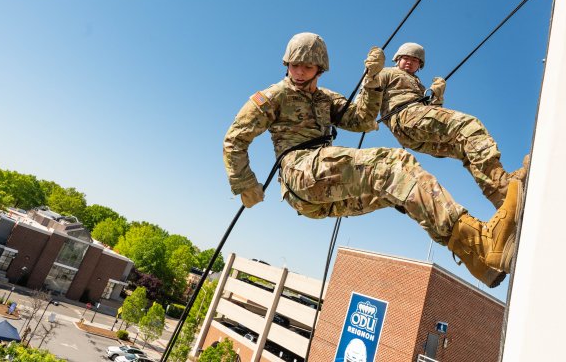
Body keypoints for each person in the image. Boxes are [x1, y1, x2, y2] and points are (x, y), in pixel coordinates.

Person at [223, 32, 523, 287]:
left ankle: (479, 257)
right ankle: (484, 240)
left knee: (401, 191)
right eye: (294, 65)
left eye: (307, 66)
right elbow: (235, 139)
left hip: (322, 196)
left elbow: (361, 120)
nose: (299, 71)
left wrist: (372, 79)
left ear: (320, 68)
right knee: (394, 164)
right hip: (301, 170)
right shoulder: (273, 96)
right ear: (286, 64)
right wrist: (244, 183)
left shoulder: (326, 99)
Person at [377, 42, 526, 208]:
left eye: (415, 60)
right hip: (406, 116)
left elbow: (432, 115)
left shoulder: (418, 84)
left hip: (412, 136)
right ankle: (505, 183)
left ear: (420, 65)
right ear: (397, 58)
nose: (409, 62)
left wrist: (437, 95)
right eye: (406, 58)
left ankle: (502, 200)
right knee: (468, 125)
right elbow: (367, 96)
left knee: (465, 149)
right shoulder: (386, 73)